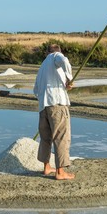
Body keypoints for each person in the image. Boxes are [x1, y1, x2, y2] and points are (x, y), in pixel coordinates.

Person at [33, 43, 75, 180]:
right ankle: (60, 172)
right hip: (56, 104)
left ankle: (46, 167)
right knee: (61, 137)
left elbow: (36, 90)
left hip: (43, 107)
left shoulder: (42, 67)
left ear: (46, 53)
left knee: (46, 138)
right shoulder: (55, 56)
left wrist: (64, 85)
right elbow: (64, 61)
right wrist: (69, 78)